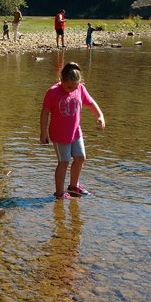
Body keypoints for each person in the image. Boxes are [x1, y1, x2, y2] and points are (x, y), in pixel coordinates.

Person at [40, 62, 105, 199]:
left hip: (76, 132)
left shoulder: (79, 88)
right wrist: (43, 132)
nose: (72, 89)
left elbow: (91, 103)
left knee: (80, 158)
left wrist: (100, 116)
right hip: (59, 135)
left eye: (75, 86)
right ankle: (59, 192)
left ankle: (73, 186)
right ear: (61, 80)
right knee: (64, 162)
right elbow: (45, 112)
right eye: (69, 86)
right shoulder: (53, 92)